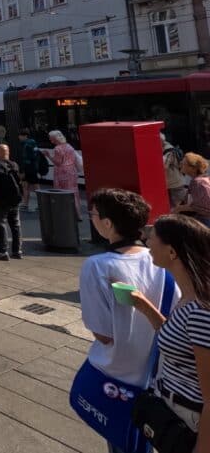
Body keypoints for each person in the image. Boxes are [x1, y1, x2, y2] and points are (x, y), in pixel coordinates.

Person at [79, 189, 176, 453]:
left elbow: (103, 335)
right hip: (160, 376)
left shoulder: (97, 266)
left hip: (118, 375)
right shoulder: (163, 260)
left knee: (122, 441)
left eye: (94, 214)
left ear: (108, 223)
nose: (92, 218)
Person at [129, 215, 210, 438]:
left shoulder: (199, 311)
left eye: (152, 237)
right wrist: (144, 306)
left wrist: (202, 448)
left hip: (192, 421)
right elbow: (181, 341)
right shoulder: (190, 297)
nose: (146, 241)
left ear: (172, 252)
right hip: (177, 411)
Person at [0, 144, 23, 261]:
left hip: (0, 199)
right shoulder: (14, 165)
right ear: (8, 153)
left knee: (0, 223)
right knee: (16, 225)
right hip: (14, 199)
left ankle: (2, 251)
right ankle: (17, 251)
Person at [44, 130, 82, 217]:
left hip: (62, 172)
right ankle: (78, 214)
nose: (50, 140)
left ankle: (67, 214)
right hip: (72, 171)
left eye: (51, 138)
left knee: (63, 193)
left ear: (54, 139)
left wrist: (48, 155)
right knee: (74, 192)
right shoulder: (69, 146)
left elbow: (58, 163)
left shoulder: (57, 149)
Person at [173, 152, 210, 226]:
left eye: (183, 164)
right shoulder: (202, 179)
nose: (180, 165)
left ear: (193, 168)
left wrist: (180, 208)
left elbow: (205, 206)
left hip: (204, 220)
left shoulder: (198, 182)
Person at [17, 129, 40, 212]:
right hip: (32, 168)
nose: (19, 137)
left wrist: (22, 170)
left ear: (25, 136)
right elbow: (36, 155)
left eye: (20, 136)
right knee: (34, 186)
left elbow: (26, 158)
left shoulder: (27, 144)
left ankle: (25, 204)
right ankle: (38, 204)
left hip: (28, 168)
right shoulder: (32, 143)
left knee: (26, 186)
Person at [163, 134, 187, 208]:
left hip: (175, 183)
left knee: (178, 206)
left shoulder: (169, 150)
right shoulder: (168, 149)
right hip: (172, 182)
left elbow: (163, 165)